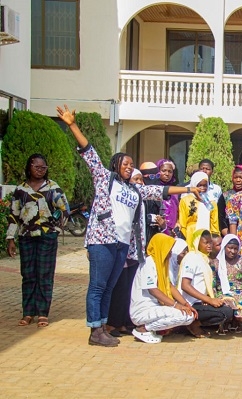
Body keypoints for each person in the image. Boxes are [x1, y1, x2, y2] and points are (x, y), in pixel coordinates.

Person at [57, 105, 203, 347]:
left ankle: (103, 326)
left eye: (131, 164)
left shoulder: (134, 188)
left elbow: (160, 190)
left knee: (110, 287)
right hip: (102, 241)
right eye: (125, 163)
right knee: (98, 286)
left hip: (122, 244)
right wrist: (72, 125)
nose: (129, 166)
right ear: (116, 165)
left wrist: (189, 188)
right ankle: (95, 330)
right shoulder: (105, 179)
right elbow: (88, 152)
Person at [8, 153, 69, 328]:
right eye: (37, 167)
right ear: (29, 167)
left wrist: (56, 229)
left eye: (44, 168)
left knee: (44, 275)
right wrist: (10, 238)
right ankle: (28, 312)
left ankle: (43, 313)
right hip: (26, 237)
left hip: (47, 237)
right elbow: (14, 215)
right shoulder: (21, 190)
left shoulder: (53, 188)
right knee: (27, 275)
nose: (40, 170)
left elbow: (64, 210)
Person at [129, 233, 197, 344]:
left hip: (155, 307)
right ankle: (143, 329)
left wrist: (185, 304)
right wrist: (176, 305)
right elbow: (153, 290)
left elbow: (169, 286)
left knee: (189, 315)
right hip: (142, 311)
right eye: (169, 250)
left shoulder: (161, 264)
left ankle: (149, 328)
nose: (170, 254)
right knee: (185, 316)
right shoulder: (149, 262)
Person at [106, 169, 144, 337]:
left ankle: (124, 322)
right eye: (136, 179)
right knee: (118, 287)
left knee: (129, 288)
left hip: (136, 249)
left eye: (141, 179)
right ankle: (112, 323)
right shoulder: (120, 195)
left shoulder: (138, 195)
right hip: (122, 246)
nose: (140, 182)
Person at [180, 229, 234, 338]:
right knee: (226, 313)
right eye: (206, 242)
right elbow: (185, 285)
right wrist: (209, 300)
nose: (209, 245)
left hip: (201, 301)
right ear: (197, 242)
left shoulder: (203, 258)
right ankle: (193, 324)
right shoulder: (192, 258)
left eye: (210, 242)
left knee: (229, 307)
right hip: (191, 303)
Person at [215, 234, 242, 331]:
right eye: (230, 248)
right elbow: (213, 282)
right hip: (222, 292)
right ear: (224, 246)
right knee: (228, 303)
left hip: (240, 292)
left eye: (236, 249)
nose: (233, 251)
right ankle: (227, 321)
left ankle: (237, 322)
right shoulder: (216, 262)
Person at [178, 171, 219, 249]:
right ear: (194, 185)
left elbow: (214, 225)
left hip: (206, 236)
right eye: (199, 185)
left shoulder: (211, 203)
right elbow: (182, 223)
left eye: (205, 185)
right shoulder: (185, 200)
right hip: (190, 235)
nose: (202, 188)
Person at [218, 165, 242, 236]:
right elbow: (221, 217)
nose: (238, 180)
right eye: (236, 177)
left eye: (241, 177)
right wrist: (229, 236)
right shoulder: (225, 196)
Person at [156, 158, 179, 236]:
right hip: (157, 229)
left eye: (170, 171)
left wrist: (177, 222)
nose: (167, 174)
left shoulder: (175, 191)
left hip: (172, 231)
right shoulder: (154, 189)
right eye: (164, 170)